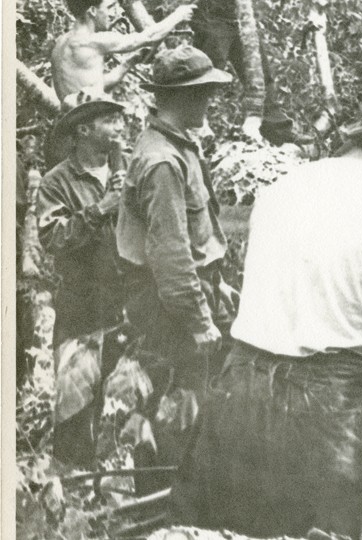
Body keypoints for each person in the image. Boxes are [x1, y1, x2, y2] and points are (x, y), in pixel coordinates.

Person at [172, 75, 362, 540]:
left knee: (230, 530)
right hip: (330, 410)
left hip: (239, 390)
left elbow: (304, 303)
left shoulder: (281, 191)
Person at [116, 45, 234, 474]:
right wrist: (198, 319)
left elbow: (196, 236)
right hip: (167, 308)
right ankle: (164, 513)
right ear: (181, 97)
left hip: (178, 299)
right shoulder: (162, 160)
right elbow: (170, 254)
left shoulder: (176, 146)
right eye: (203, 93)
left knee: (180, 409)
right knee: (174, 413)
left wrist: (215, 285)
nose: (209, 101)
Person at [37, 91, 130, 467]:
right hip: (81, 311)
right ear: (85, 129)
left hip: (125, 309)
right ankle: (71, 502)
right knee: (75, 412)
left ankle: (116, 498)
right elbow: (53, 238)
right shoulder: (57, 181)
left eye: (120, 120)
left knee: (122, 409)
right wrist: (102, 208)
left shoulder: (131, 171)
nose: (120, 128)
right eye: (111, 120)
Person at [189, 0, 307, 144]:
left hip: (241, 17)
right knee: (207, 71)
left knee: (260, 71)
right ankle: (195, 125)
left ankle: (277, 130)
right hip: (211, 15)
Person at [51, 0, 195, 101]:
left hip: (71, 127)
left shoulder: (61, 44)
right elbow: (149, 37)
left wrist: (130, 62)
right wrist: (178, 15)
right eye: (109, 8)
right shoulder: (93, 41)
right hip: (90, 125)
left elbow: (88, 88)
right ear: (93, 11)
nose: (113, 14)